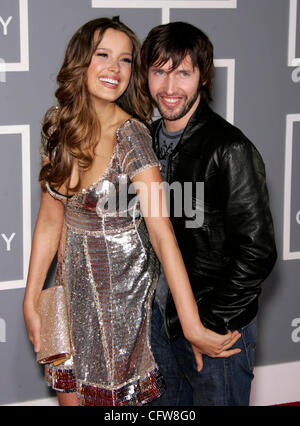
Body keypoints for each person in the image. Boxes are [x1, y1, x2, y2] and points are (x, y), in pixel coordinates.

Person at [23, 17, 241, 407]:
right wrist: (31, 298)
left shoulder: (132, 135)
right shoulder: (55, 126)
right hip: (69, 300)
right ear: (80, 60)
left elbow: (161, 232)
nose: (114, 69)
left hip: (123, 312)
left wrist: (192, 325)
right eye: (103, 55)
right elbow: (50, 219)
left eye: (125, 60)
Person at [141, 21, 277, 406]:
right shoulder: (143, 142)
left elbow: (257, 252)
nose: (169, 89)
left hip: (217, 331)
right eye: (159, 72)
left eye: (183, 72)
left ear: (203, 77)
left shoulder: (229, 148)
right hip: (161, 324)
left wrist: (205, 324)